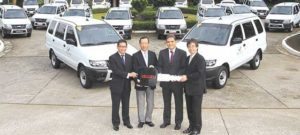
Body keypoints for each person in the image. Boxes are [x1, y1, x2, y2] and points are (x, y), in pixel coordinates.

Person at [158, 34, 187, 130]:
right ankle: (166, 121)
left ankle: (178, 122)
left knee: (178, 103)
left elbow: (184, 68)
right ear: (166, 43)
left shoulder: (182, 53)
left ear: (175, 42)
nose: (170, 43)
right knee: (166, 103)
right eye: (168, 42)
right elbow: (160, 66)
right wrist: (162, 74)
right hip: (165, 83)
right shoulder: (162, 53)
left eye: (172, 41)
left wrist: (174, 77)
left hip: (177, 83)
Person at [109, 39, 137, 131]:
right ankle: (115, 123)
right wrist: (129, 74)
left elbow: (132, 70)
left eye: (124, 46)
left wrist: (138, 78)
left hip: (126, 86)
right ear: (117, 47)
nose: (122, 48)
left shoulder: (130, 57)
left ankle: (126, 121)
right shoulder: (112, 58)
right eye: (121, 46)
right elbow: (116, 71)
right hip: (116, 86)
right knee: (116, 105)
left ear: (126, 47)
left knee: (126, 104)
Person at [180, 39, 206, 135]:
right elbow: (185, 71)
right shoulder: (187, 58)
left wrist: (187, 77)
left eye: (193, 46)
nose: (191, 48)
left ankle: (197, 129)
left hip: (197, 89)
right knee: (189, 109)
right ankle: (191, 126)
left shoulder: (200, 59)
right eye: (189, 46)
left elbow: (199, 73)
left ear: (197, 47)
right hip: (188, 89)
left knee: (196, 110)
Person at [132, 36, 158, 128]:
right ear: (139, 44)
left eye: (145, 43)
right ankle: (141, 120)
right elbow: (134, 69)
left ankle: (148, 119)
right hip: (140, 83)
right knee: (141, 102)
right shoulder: (135, 56)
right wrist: (138, 79)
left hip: (150, 83)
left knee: (150, 102)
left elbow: (156, 67)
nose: (144, 45)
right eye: (142, 43)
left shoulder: (153, 54)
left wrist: (153, 69)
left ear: (148, 44)